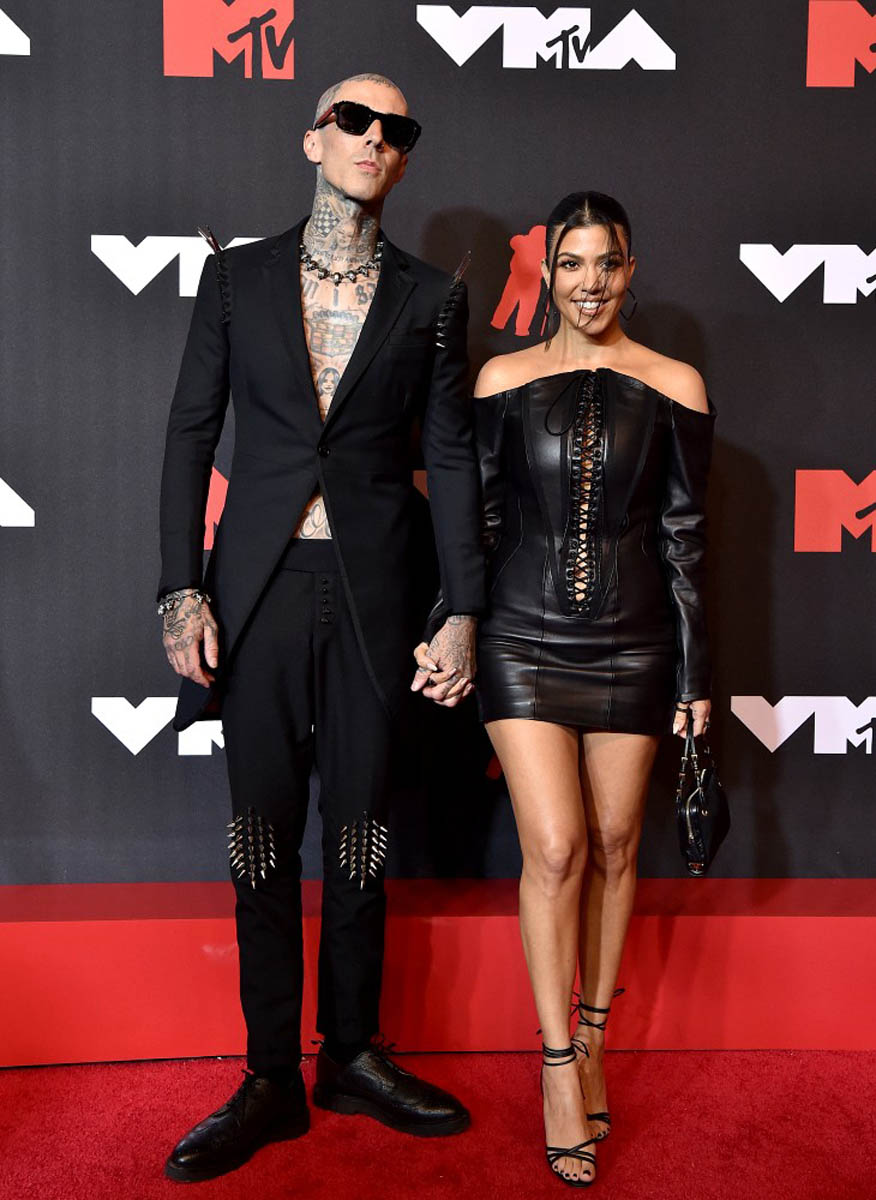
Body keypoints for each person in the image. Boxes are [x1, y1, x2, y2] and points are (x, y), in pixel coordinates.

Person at [157, 73, 484, 1183]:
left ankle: (349, 1054)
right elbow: (190, 432)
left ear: (404, 158)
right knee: (259, 844)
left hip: (375, 596)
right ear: (314, 139)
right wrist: (179, 588)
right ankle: (268, 1077)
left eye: (396, 129)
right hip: (255, 591)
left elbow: (452, 459)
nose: (374, 138)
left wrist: (463, 610)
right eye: (354, 119)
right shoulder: (237, 277)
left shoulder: (433, 297)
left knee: (359, 839)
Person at [415, 191, 715, 1186]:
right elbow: (475, 524)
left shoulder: (675, 383)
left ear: (631, 270)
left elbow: (684, 538)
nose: (591, 284)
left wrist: (697, 674)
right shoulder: (502, 378)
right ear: (547, 273)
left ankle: (593, 1039)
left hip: (636, 642)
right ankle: (554, 1066)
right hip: (520, 635)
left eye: (608, 264)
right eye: (573, 264)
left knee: (620, 842)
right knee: (555, 846)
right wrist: (452, 625)